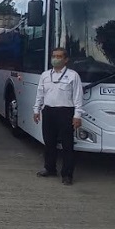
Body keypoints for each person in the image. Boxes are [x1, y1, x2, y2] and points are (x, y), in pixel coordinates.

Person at [33, 47, 84, 186]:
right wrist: (36, 110)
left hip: (65, 112)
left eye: (59, 56)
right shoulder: (45, 75)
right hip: (49, 111)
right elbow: (40, 94)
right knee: (49, 142)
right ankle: (50, 168)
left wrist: (77, 115)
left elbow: (78, 97)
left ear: (66, 59)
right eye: (54, 56)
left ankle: (67, 174)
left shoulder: (73, 75)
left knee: (67, 145)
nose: (55, 59)